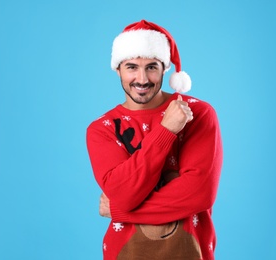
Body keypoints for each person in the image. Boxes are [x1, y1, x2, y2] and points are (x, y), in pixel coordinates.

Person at [86, 20, 223, 260]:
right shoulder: (102, 129)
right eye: (131, 67)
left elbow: (198, 194)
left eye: (151, 67)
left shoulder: (198, 114)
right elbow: (124, 193)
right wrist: (166, 130)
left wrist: (120, 211)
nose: (142, 79)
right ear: (118, 69)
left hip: (190, 252)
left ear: (165, 68)